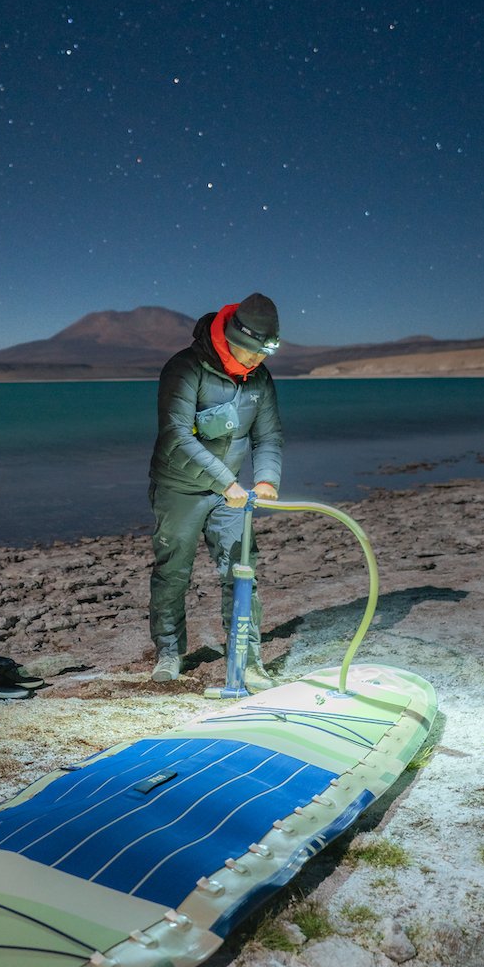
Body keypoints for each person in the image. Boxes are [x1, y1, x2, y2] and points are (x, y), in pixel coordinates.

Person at [148, 293, 284, 685]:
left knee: (242, 571)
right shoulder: (185, 368)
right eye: (251, 352)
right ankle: (170, 652)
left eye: (264, 354)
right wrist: (226, 481)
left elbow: (269, 435)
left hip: (234, 492)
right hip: (180, 490)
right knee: (173, 571)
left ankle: (247, 657)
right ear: (231, 338)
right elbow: (176, 436)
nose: (257, 361)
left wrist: (266, 480)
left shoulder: (259, 378)